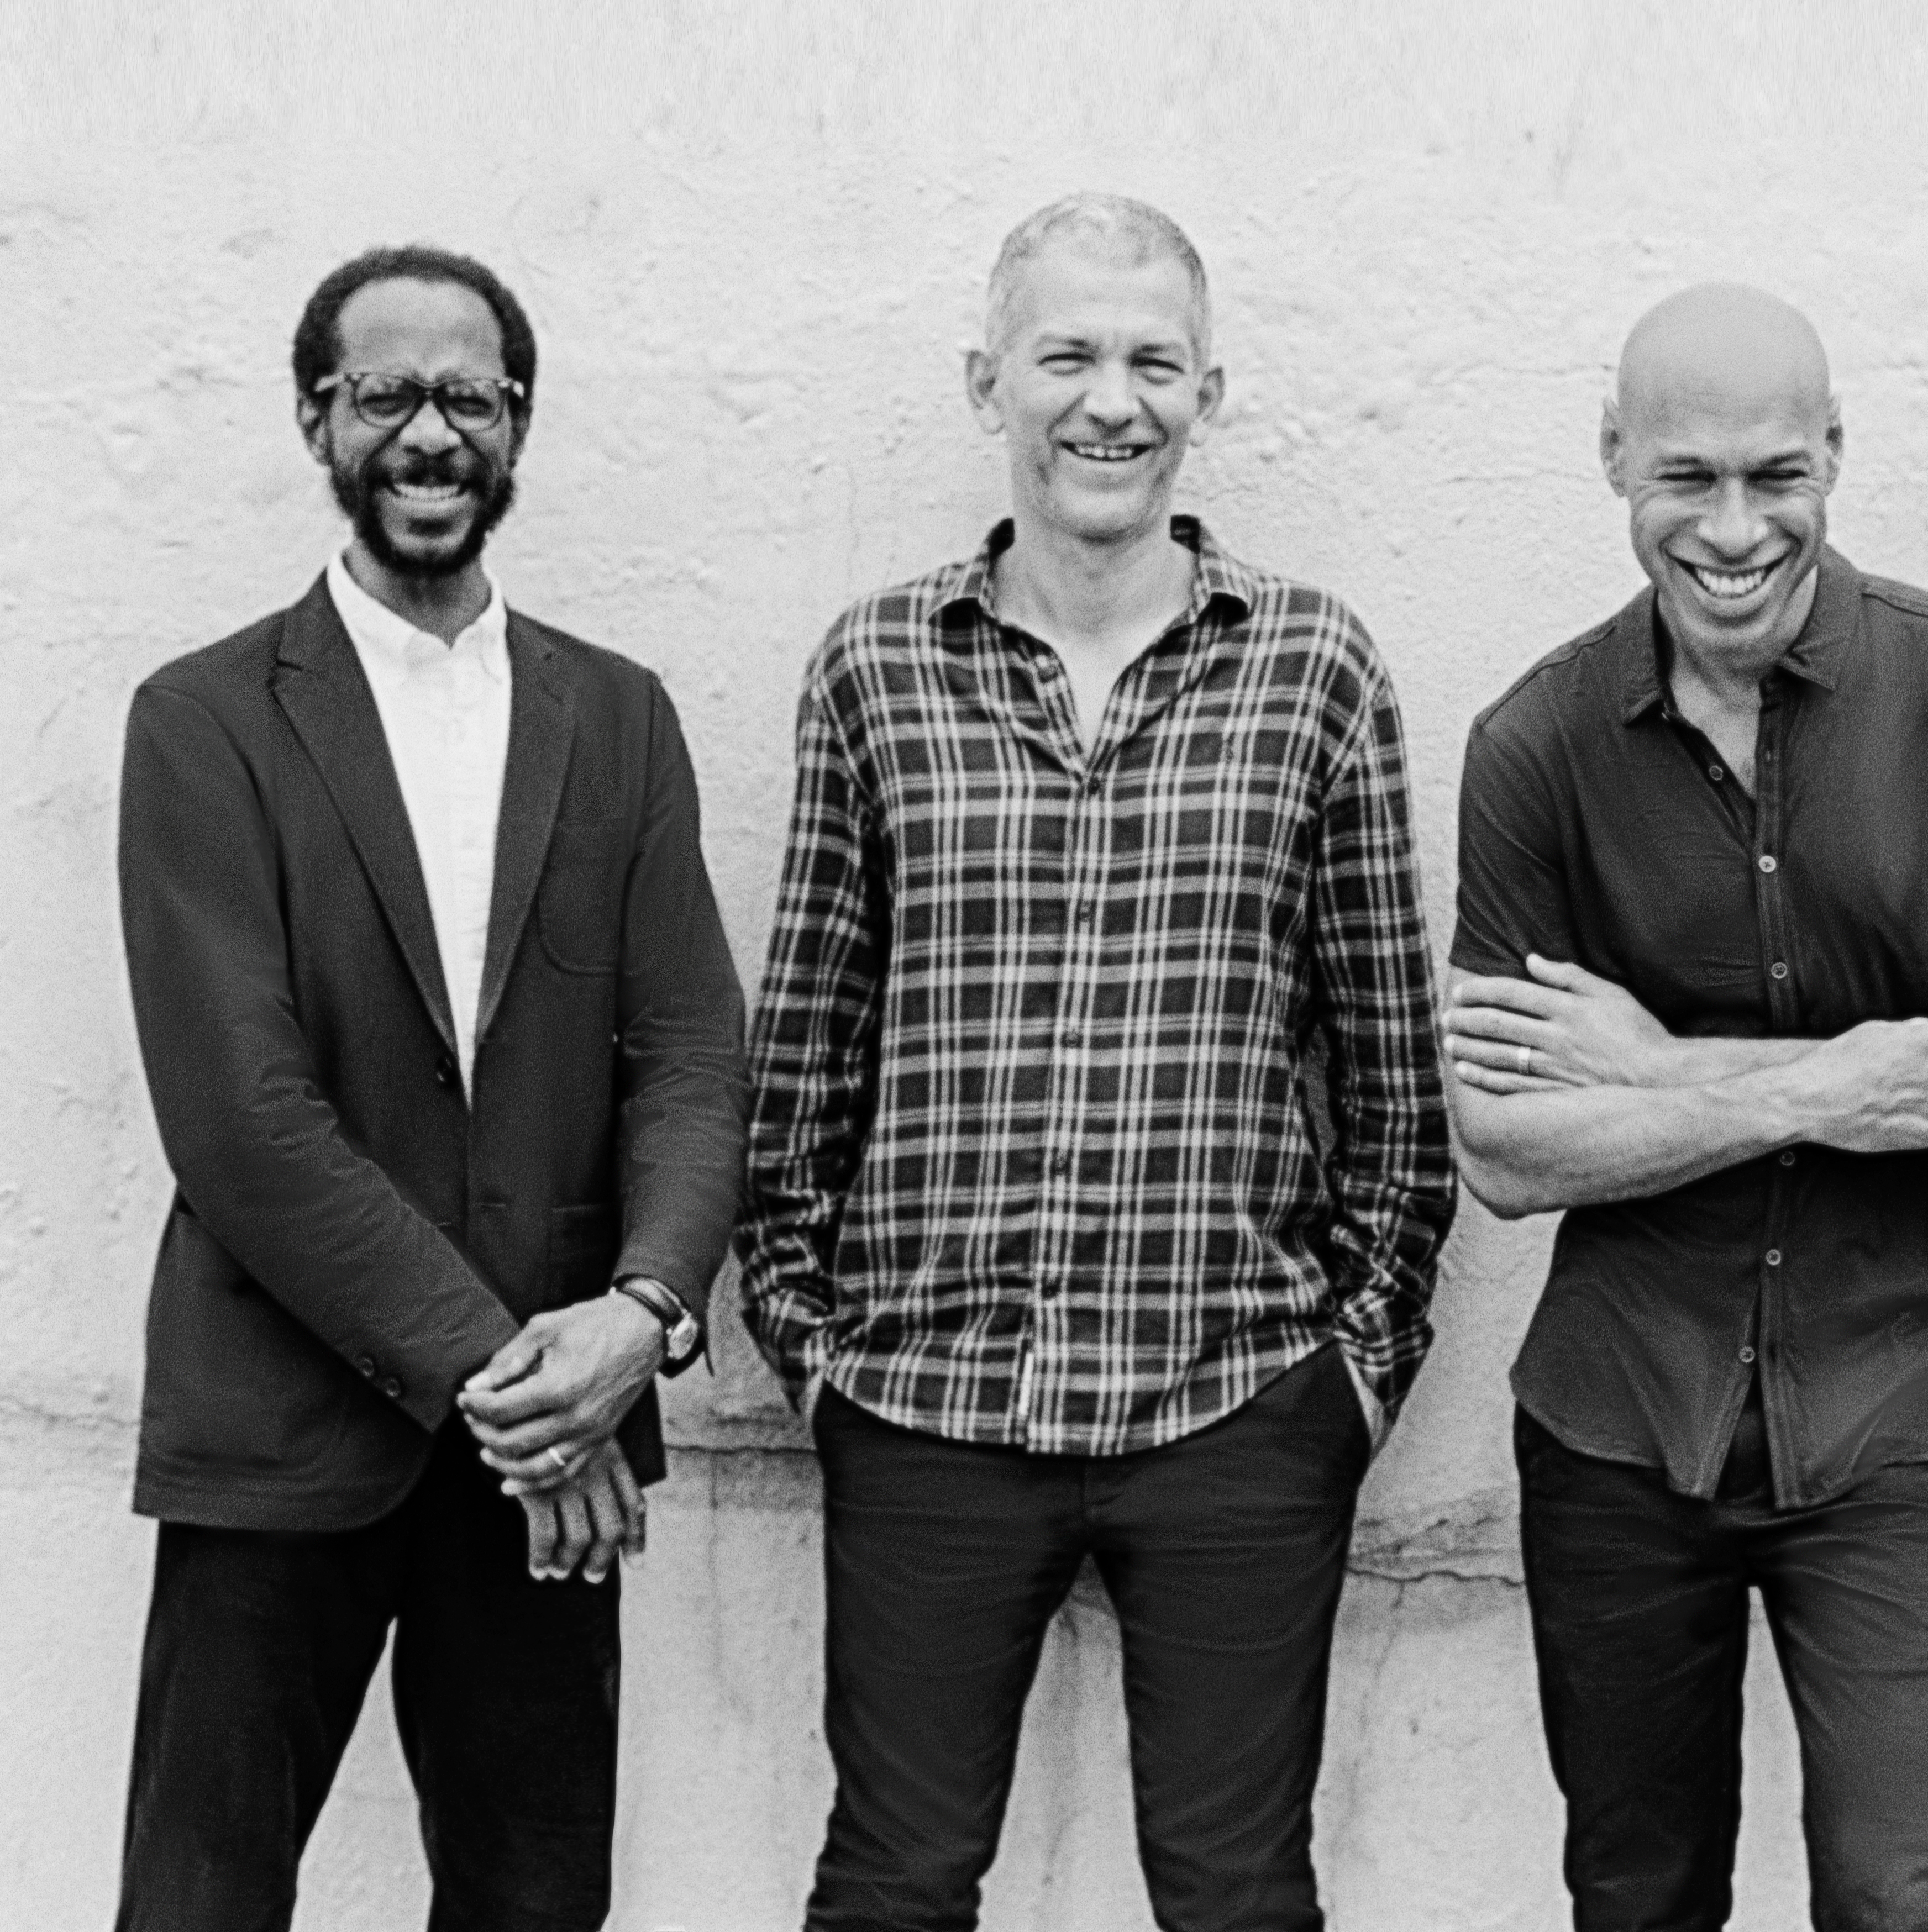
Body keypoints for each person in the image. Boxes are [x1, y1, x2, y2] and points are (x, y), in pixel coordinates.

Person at [740, 192, 1453, 1932]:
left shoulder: (1311, 666)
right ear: (987, 378)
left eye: (1152, 360)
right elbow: (806, 1046)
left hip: (1235, 1401)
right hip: (926, 1400)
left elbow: (1391, 1068)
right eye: (1066, 354)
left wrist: (1348, 1374)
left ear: (1209, 389)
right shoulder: (876, 668)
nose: (1109, 401)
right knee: (894, 1883)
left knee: (1235, 1891)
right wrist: (812, 1347)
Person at [1442, 282, 1928, 1932]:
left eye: (1774, 474)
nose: (1734, 528)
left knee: (1909, 1904)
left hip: (1902, 1409)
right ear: (1613, 457)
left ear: (1834, 454)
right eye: (1686, 476)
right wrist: (1841, 1083)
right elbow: (1504, 1151)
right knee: (1637, 1897)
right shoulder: (1533, 741)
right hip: (1618, 1418)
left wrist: (1649, 1067)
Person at [115, 243, 748, 1931]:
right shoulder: (203, 718)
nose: (428, 430)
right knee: (196, 1903)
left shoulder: (617, 716)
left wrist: (644, 1313)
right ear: (317, 418)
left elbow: (691, 1053)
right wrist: (521, 1391)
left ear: (516, 421)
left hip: (555, 1431)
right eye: (385, 391)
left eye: (468, 394)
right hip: (292, 1424)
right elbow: (242, 1121)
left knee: (535, 1904)